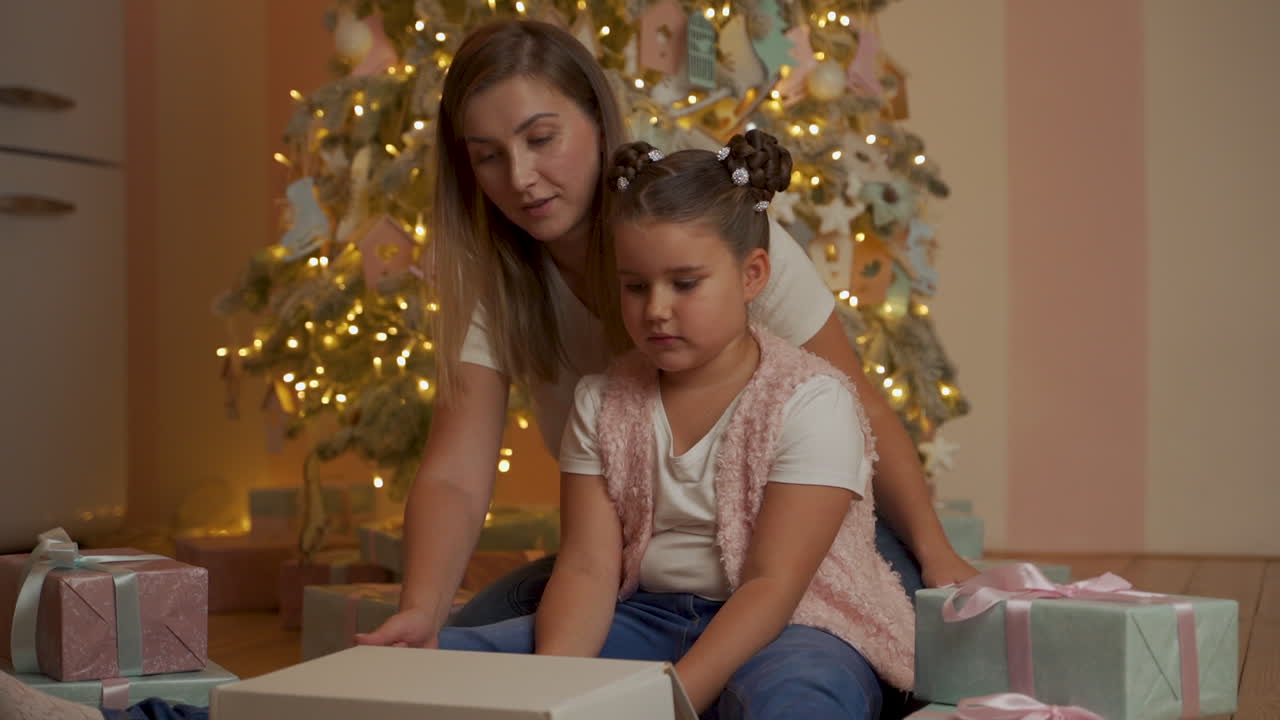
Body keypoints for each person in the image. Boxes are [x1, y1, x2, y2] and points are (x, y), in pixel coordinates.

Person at [360, 19, 973, 648]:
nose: (519, 177)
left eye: (541, 138)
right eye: (488, 156)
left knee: (857, 638)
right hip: (652, 566)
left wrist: (937, 553)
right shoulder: (499, 282)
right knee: (478, 627)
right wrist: (421, 610)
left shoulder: (712, 238)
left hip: (794, 553)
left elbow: (856, 398)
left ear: (598, 122)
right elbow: (456, 475)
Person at [428, 131, 915, 718]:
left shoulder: (812, 402)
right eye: (635, 287)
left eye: (685, 284)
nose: (656, 308)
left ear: (752, 275)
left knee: (799, 696)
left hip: (794, 622)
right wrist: (554, 687)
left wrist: (672, 697)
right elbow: (586, 569)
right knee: (457, 661)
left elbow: (772, 585)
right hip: (649, 616)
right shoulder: (602, 402)